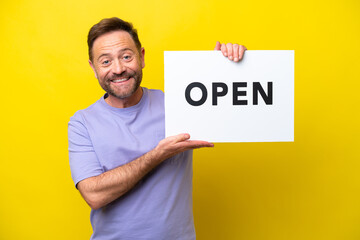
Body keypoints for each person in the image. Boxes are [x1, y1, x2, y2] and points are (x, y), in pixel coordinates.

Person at [68, 17, 246, 240]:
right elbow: (93, 194)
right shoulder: (81, 123)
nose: (118, 69)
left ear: (141, 57)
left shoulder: (180, 105)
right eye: (105, 62)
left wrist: (230, 66)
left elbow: (231, 108)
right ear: (93, 68)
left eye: (126, 56)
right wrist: (158, 154)